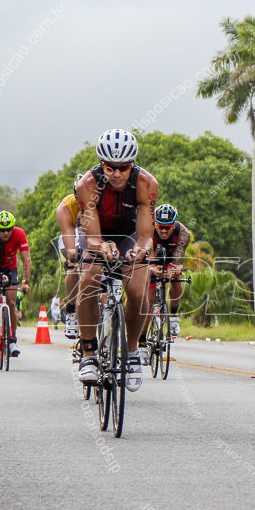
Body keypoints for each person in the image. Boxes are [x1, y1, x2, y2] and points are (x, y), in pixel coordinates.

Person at [74, 128, 157, 391]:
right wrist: (103, 246)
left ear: (132, 165)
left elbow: (146, 235)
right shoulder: (87, 185)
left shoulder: (146, 184)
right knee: (88, 281)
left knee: (137, 292)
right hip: (100, 235)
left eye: (124, 167)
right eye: (110, 167)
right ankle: (88, 354)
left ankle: (132, 352)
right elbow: (93, 236)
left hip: (130, 235)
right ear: (101, 164)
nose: (117, 174)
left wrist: (141, 250)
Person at [0, 211, 32, 357]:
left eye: (9, 229)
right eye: (2, 229)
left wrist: (25, 282)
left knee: (11, 301)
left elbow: (26, 259)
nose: (5, 232)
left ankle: (12, 340)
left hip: (10, 267)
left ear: (13, 227)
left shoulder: (19, 234)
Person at [148, 203, 190, 338]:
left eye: (168, 228)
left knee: (176, 277)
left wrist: (176, 269)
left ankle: (173, 316)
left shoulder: (183, 233)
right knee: (149, 281)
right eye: (160, 227)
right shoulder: (148, 230)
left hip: (171, 257)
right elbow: (149, 254)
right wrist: (152, 268)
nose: (164, 231)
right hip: (153, 256)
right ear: (155, 224)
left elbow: (179, 258)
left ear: (174, 225)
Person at [55, 192, 83, 338]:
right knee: (73, 264)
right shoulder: (67, 205)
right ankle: (71, 311)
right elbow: (68, 234)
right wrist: (73, 255)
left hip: (91, 234)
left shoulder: (99, 200)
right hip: (71, 234)